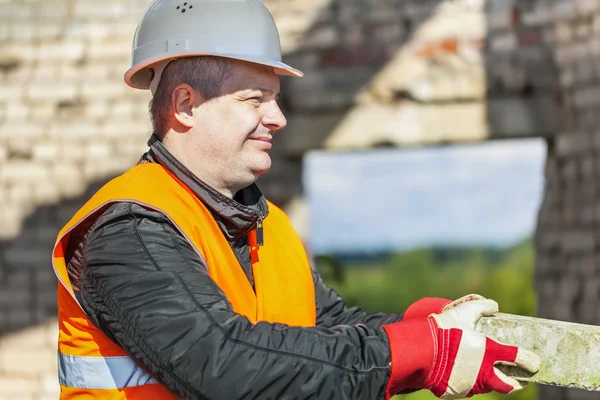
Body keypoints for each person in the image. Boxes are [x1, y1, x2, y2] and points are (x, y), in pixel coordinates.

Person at [51, 0, 540, 399]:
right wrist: (413, 350)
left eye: (275, 98)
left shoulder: (265, 223)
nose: (278, 117)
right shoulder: (126, 231)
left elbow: (324, 328)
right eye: (255, 98)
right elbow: (222, 364)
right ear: (185, 106)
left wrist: (426, 327)